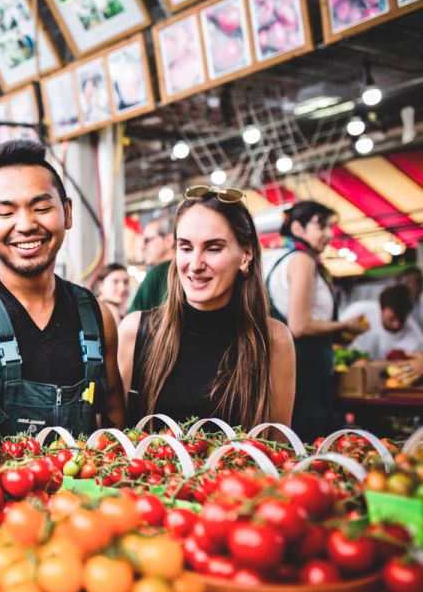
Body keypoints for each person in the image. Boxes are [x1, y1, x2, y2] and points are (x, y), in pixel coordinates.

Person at [0, 139, 125, 504]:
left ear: (68, 212)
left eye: (41, 207)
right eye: (6, 212)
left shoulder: (97, 315)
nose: (26, 225)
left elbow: (113, 416)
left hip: (87, 514)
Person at [119, 186, 296, 429]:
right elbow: (113, 442)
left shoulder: (274, 340)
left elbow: (277, 449)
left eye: (213, 248)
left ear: (246, 255)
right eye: (186, 247)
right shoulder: (136, 330)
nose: (195, 264)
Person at [262, 200, 366, 442]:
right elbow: (299, 325)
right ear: (298, 228)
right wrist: (344, 326)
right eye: (321, 226)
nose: (329, 234)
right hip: (306, 368)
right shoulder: (303, 261)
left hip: (285, 364)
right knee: (310, 442)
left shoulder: (274, 258)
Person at [341, 285, 423, 360]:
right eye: (392, 319)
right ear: (381, 308)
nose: (396, 325)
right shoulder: (358, 313)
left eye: (402, 319)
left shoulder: (415, 338)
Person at [127, 215, 175, 313]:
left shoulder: (156, 274)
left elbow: (130, 319)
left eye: (147, 240)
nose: (142, 247)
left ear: (169, 240)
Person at [397, 266, 423, 331]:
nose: (421, 285)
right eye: (417, 282)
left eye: (421, 281)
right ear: (406, 283)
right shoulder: (398, 308)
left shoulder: (419, 304)